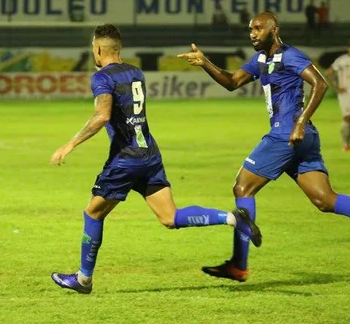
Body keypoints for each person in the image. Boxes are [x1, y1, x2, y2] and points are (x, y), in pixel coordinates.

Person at [176, 12, 350, 282]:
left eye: (259, 29)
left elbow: (319, 84)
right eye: (250, 29)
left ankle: (239, 264)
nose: (252, 33)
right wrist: (205, 63)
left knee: (242, 187)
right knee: (324, 199)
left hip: (287, 133)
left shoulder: (289, 55)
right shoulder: (261, 59)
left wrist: (300, 122)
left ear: (274, 30)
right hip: (302, 138)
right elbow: (231, 82)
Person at [49, 24, 262, 294]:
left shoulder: (102, 78)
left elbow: (102, 116)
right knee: (170, 217)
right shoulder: (135, 72)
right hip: (149, 155)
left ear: (98, 49)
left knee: (93, 212)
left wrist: (70, 144)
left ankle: (83, 279)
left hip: (125, 160)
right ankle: (232, 218)